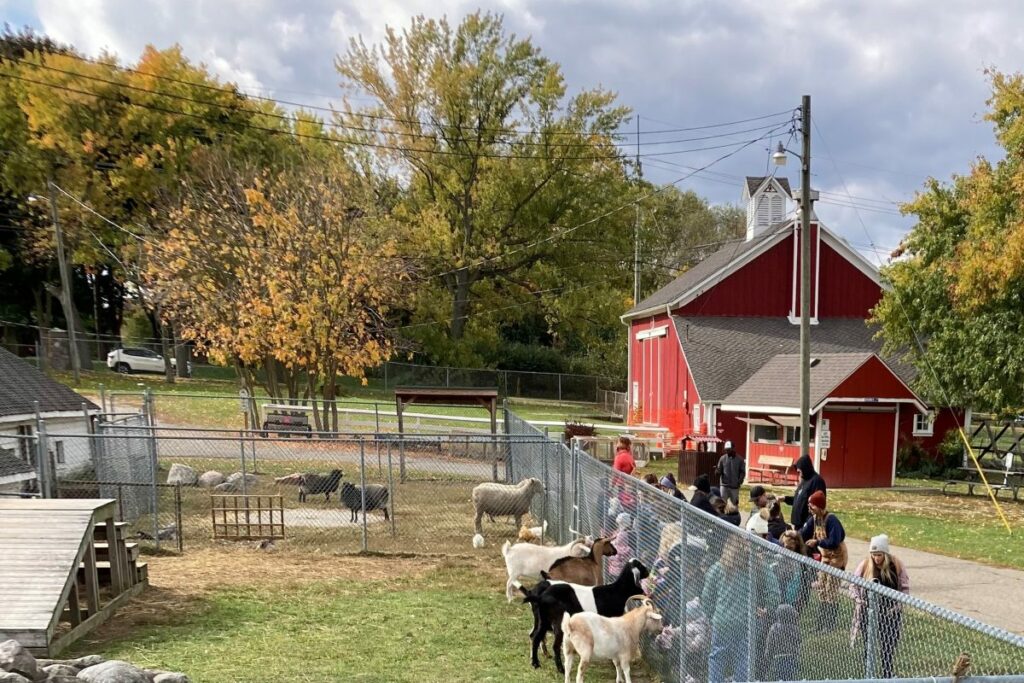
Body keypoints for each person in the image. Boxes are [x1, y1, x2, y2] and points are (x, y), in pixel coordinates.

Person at [701, 537, 780, 683]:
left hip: (722, 621)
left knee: (717, 657)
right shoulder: (759, 566)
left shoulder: (717, 568)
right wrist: (767, 609)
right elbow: (774, 591)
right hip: (748, 621)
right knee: (744, 658)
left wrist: (712, 615)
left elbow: (706, 598)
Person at [851, 534, 910, 678]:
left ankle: (887, 673)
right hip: (869, 610)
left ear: (885, 553)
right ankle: (868, 674)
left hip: (890, 612)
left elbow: (904, 587)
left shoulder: (896, 565)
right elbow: (853, 585)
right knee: (868, 645)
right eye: (874, 554)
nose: (876, 558)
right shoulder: (865, 564)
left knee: (888, 646)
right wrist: (859, 600)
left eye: (879, 555)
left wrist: (897, 606)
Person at [800, 490, 847, 630]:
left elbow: (834, 541)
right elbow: (803, 534)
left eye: (812, 506)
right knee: (822, 588)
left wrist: (817, 543)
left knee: (830, 590)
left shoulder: (831, 520)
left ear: (820, 507)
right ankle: (820, 624)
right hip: (825, 557)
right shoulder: (814, 519)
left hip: (837, 557)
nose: (809, 508)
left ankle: (829, 624)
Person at [784, 453, 826, 530]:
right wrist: (784, 499)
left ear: (805, 468)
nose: (798, 473)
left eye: (799, 471)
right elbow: (799, 500)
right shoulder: (804, 480)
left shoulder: (817, 481)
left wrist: (807, 524)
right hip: (798, 524)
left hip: (806, 525)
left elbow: (816, 505)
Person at [764, 603, 801, 681]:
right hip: (792, 657)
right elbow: (799, 640)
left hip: (778, 658)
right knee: (789, 677)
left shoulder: (774, 628)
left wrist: (767, 655)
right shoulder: (795, 628)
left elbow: (770, 643)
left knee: (779, 678)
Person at [715, 441, 745, 506]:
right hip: (724, 486)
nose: (727, 451)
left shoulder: (740, 459)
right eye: (726, 450)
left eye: (729, 450)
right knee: (722, 504)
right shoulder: (722, 458)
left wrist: (739, 481)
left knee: (734, 504)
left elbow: (742, 472)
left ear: (733, 448)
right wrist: (717, 472)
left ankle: (734, 515)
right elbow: (719, 469)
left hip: (734, 487)